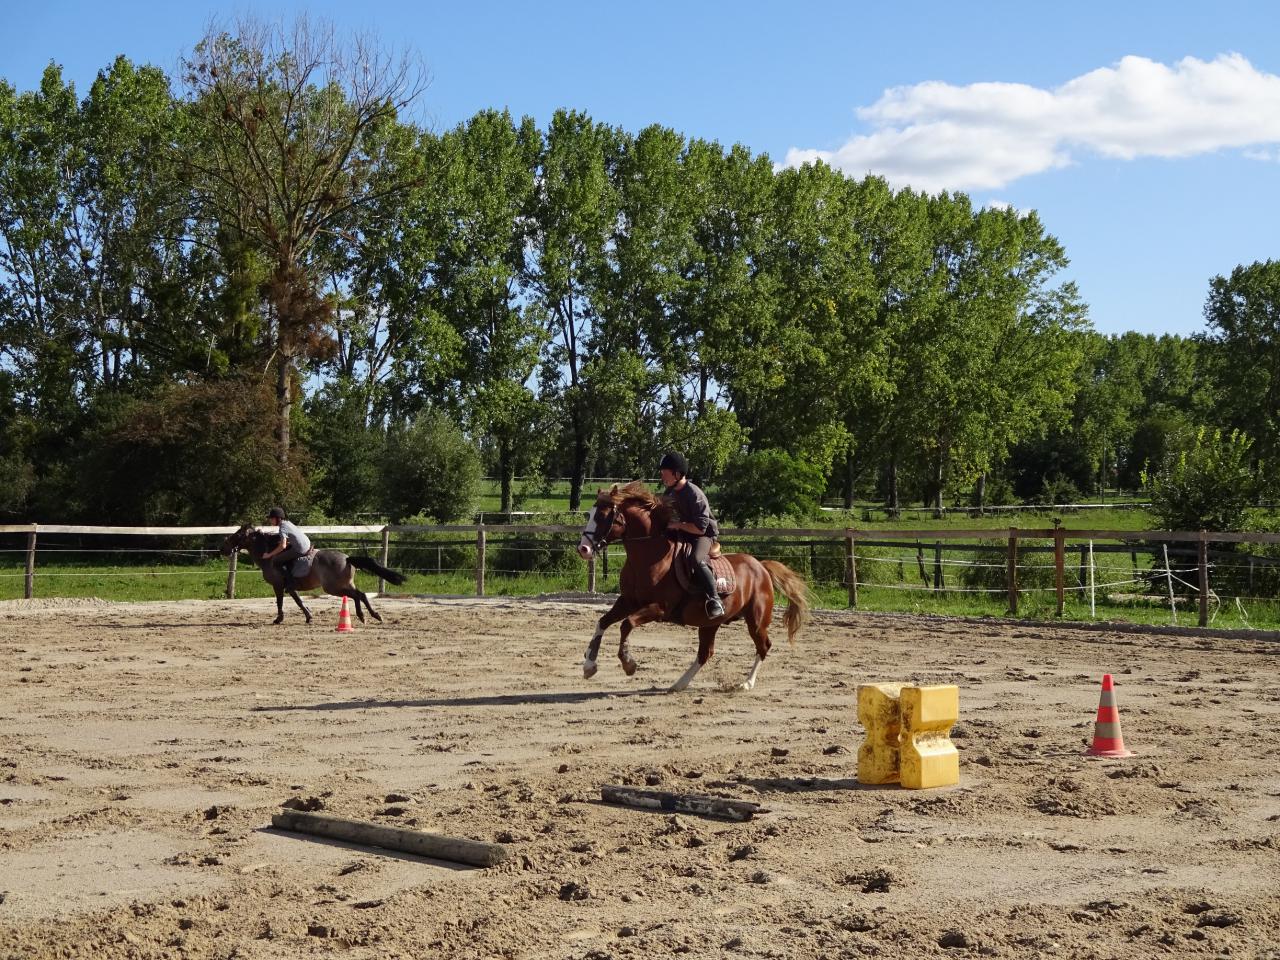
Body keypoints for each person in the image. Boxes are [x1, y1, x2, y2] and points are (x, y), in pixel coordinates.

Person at [658, 451, 725, 618]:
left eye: (664, 472)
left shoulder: (694, 494)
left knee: (695, 558)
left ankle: (715, 599)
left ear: (677, 473)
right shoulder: (670, 492)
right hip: (683, 532)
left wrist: (677, 525)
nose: (662, 476)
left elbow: (700, 528)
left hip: (702, 535)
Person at [263, 506, 312, 590]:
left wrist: (269, 555)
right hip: (307, 544)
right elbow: (291, 538)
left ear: (278, 518)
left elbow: (282, 546)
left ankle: (290, 582)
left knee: (276, 561)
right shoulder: (288, 523)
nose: (270, 520)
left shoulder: (282, 528)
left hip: (300, 549)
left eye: (271, 518)